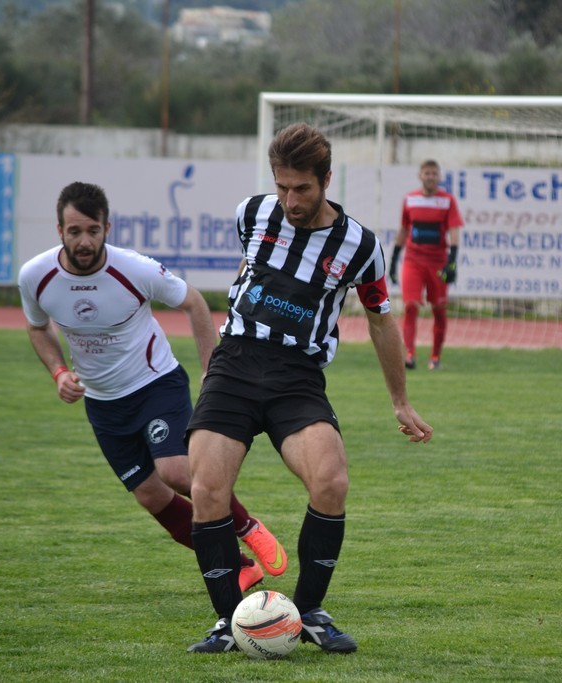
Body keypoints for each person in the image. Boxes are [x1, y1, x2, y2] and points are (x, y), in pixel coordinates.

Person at [184, 123, 433, 655]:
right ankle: (229, 622)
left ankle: (310, 611)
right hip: (235, 365)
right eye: (282, 187)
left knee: (331, 480)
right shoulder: (252, 214)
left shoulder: (360, 245)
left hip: (296, 377)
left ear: (326, 180)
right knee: (206, 490)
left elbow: (381, 321)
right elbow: (249, 269)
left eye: (302, 189)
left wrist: (400, 401)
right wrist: (218, 356)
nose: (291, 201)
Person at [17, 181, 287, 593]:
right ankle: (239, 566)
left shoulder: (134, 269)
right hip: (103, 403)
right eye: (74, 231)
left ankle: (247, 526)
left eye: (92, 230)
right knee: (149, 495)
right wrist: (58, 372)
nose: (84, 241)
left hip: (155, 384)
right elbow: (37, 328)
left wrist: (211, 370)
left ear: (107, 228)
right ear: (59, 231)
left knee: (176, 471)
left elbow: (194, 302)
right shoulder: (35, 276)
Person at [390, 159, 463, 370]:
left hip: (437, 263)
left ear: (439, 177)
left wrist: (452, 261)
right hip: (413, 260)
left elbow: (454, 231)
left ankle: (435, 357)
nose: (430, 177)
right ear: (420, 176)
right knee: (410, 305)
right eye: (427, 173)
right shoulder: (410, 199)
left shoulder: (447, 201)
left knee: (439, 309)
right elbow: (403, 229)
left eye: (434, 173)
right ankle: (409, 355)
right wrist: (394, 260)